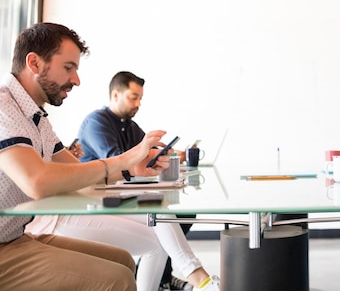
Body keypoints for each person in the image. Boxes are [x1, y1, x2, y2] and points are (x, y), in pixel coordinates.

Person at [0, 22, 170, 291]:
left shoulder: (36, 117)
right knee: (118, 279)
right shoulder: (3, 108)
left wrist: (132, 169)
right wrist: (124, 160)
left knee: (124, 260)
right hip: (3, 249)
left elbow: (80, 174)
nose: (76, 80)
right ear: (33, 62)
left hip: (15, 237)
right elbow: (37, 182)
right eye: (69, 67)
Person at [27, 70, 218, 291]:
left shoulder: (128, 125)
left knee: (160, 213)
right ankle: (199, 280)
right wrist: (135, 163)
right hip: (89, 198)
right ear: (115, 95)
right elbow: (112, 160)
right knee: (159, 221)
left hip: (100, 191)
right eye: (133, 97)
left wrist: (167, 154)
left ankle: (197, 278)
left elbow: (141, 156)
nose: (138, 103)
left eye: (140, 98)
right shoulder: (96, 122)